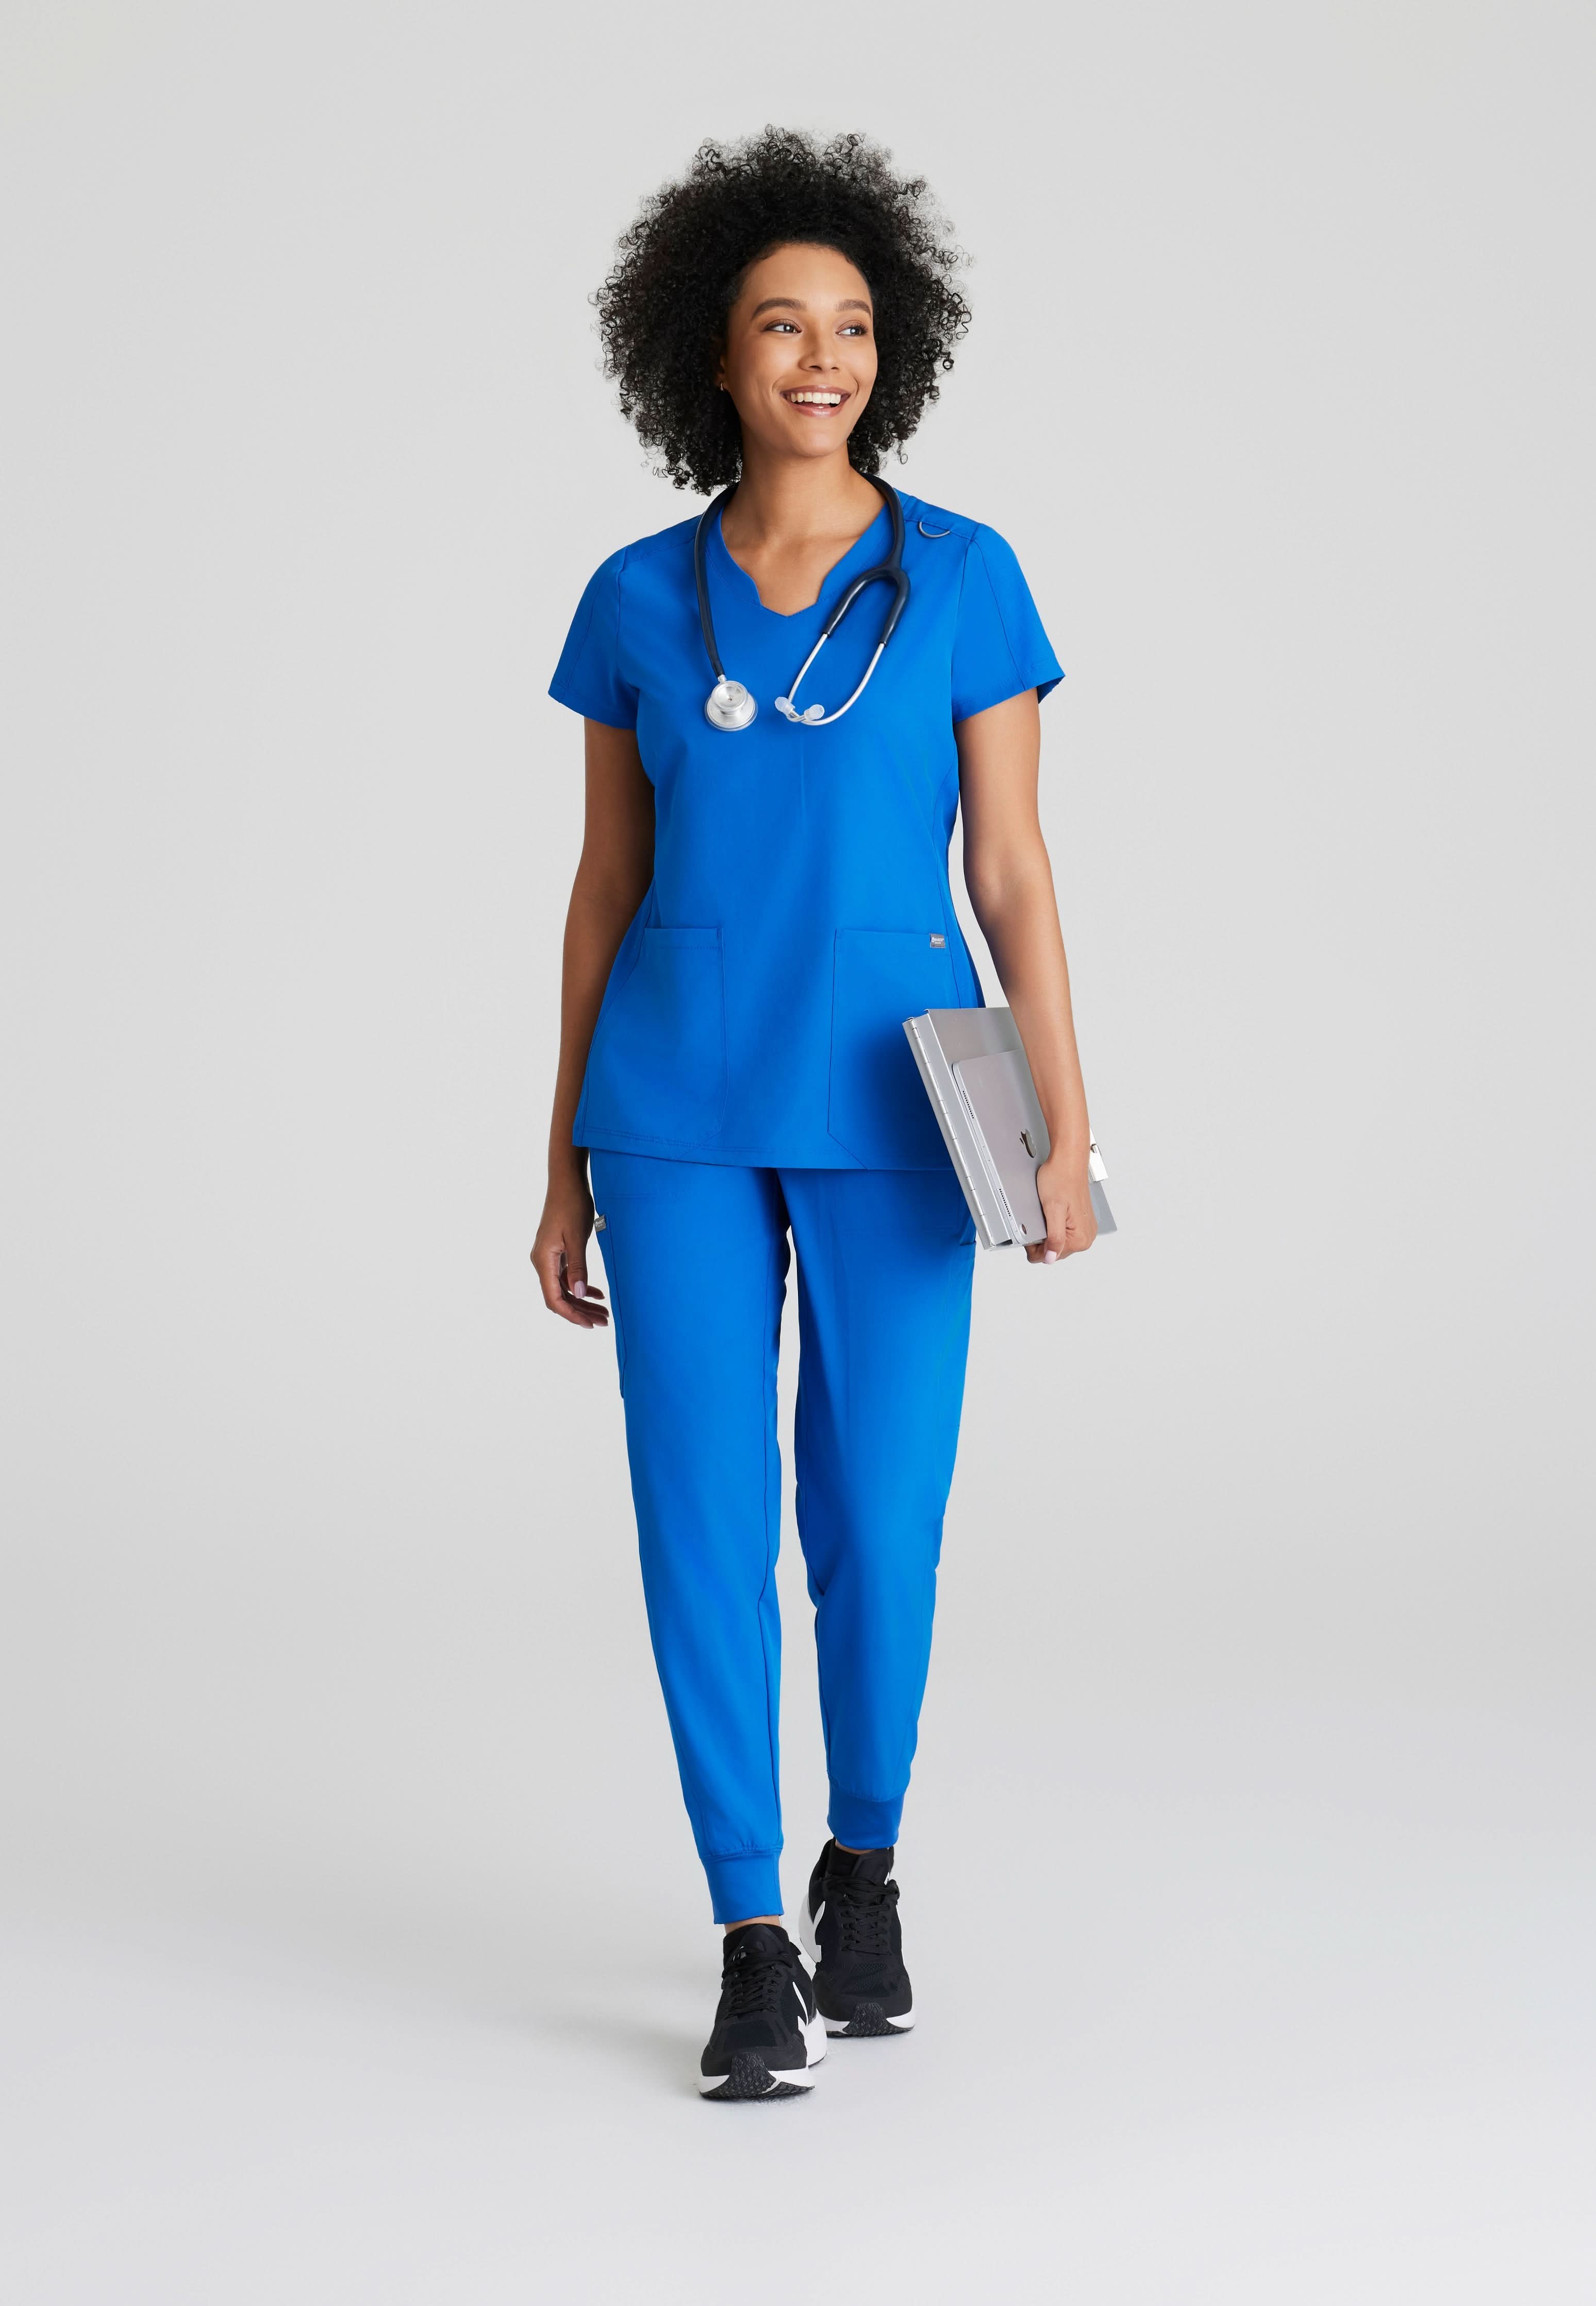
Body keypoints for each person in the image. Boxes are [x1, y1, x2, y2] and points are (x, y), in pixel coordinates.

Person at [532, 128, 1098, 2101]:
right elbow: (604, 888)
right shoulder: (636, 597)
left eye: (852, 325)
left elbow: (1012, 874)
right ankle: (747, 1928)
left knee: (879, 1513)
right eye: (781, 324)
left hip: (900, 1109)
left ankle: (865, 1860)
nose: (821, 357)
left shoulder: (964, 580)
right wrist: (556, 1165)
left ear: (893, 351)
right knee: (701, 1518)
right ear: (711, 352)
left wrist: (1066, 1131)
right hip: (674, 1111)